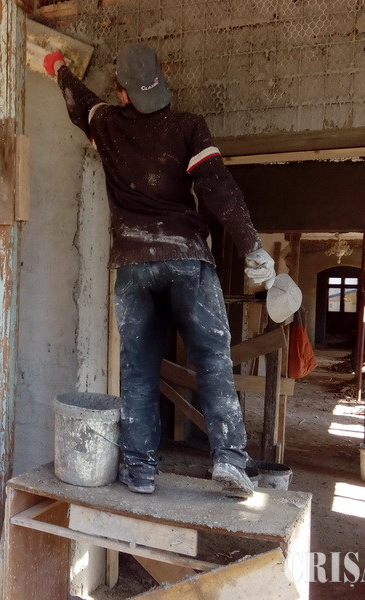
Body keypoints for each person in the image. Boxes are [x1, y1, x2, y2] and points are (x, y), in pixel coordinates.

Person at [43, 45, 276, 498]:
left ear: (122, 91)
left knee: (138, 370)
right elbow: (219, 188)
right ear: (163, 79)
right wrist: (252, 247)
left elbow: (78, 100)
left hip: (133, 265)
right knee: (212, 360)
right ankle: (230, 460)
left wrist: (58, 67)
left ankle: (140, 470)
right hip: (186, 258)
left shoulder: (106, 124)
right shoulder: (188, 126)